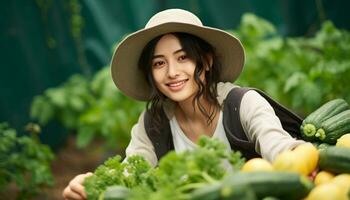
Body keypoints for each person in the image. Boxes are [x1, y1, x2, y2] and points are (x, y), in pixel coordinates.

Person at [63, 8, 307, 200]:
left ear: (207, 60)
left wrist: (297, 156)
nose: (172, 72)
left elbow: (279, 148)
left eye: (183, 57)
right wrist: (90, 184)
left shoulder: (242, 104)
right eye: (159, 63)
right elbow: (128, 173)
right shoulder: (153, 125)